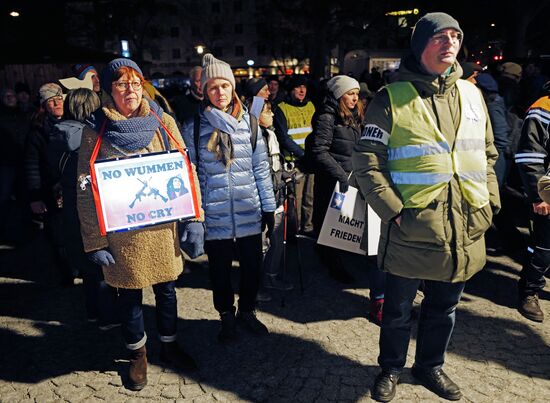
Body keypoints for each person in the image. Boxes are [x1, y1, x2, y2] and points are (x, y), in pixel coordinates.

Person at [352, 13, 500, 401]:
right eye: (439, 37)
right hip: (411, 228)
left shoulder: (472, 94)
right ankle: (391, 369)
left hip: (466, 224)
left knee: (445, 308)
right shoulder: (391, 98)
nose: (450, 43)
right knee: (398, 311)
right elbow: (367, 160)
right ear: (421, 46)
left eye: (455, 35)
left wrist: (490, 201)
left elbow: (486, 153)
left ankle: (430, 366)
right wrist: (393, 210)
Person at [76, 58, 204, 390]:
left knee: (167, 291)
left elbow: (186, 171)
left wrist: (195, 218)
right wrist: (95, 241)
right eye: (121, 84)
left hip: (162, 231)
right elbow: (85, 187)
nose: (129, 90)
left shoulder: (163, 123)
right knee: (129, 297)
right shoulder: (96, 129)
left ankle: (170, 344)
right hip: (123, 235)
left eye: (135, 83)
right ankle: (137, 355)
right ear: (109, 89)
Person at [185, 53, 276, 342]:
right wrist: (196, 216)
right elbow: (192, 176)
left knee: (252, 266)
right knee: (219, 271)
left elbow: (261, 167)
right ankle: (226, 315)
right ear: (205, 91)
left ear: (232, 87)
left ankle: (247, 310)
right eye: (213, 87)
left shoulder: (249, 123)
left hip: (248, 207)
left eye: (224, 86)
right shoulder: (195, 127)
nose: (220, 93)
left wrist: (269, 207)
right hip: (214, 212)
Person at [309, 75, 386, 322]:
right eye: (350, 94)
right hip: (335, 180)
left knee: (351, 224)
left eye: (356, 94)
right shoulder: (327, 117)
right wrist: (341, 175)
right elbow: (319, 151)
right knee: (333, 225)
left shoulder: (354, 117)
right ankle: (333, 265)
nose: (355, 98)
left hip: (354, 177)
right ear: (338, 95)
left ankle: (342, 261)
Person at [50, 87, 119, 328]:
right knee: (100, 266)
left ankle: (92, 311)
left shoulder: (58, 134)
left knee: (88, 267)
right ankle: (108, 317)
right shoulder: (88, 140)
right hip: (89, 208)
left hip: (70, 209)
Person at [24, 83, 75, 285]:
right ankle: (65, 273)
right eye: (51, 100)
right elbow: (31, 166)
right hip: (49, 191)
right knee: (57, 234)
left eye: (59, 98)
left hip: (73, 188)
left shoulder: (75, 123)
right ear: (44, 106)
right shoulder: (37, 132)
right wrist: (35, 197)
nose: (57, 103)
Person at [514, 80, 550, 323]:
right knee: (543, 249)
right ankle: (529, 290)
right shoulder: (543, 108)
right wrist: (538, 196)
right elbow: (530, 154)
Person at [273, 75, 316, 235]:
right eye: (298, 87)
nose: (302, 90)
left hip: (309, 161)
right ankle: (294, 231)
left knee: (310, 198)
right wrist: (304, 155)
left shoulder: (311, 106)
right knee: (295, 200)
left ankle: (308, 228)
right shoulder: (282, 108)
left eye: (304, 87)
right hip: (295, 163)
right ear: (291, 90)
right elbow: (283, 138)